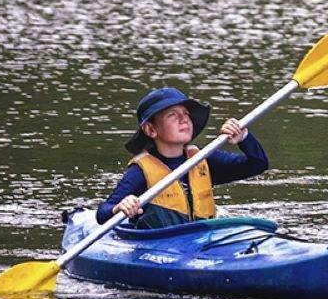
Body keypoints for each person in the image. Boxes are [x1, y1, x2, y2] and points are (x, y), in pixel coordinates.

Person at [99, 87, 268, 229]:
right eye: (172, 115)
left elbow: (258, 164)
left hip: (202, 241)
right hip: (159, 246)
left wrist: (244, 138)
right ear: (151, 130)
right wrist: (120, 207)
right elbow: (102, 213)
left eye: (185, 113)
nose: (183, 119)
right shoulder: (140, 172)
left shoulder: (203, 159)